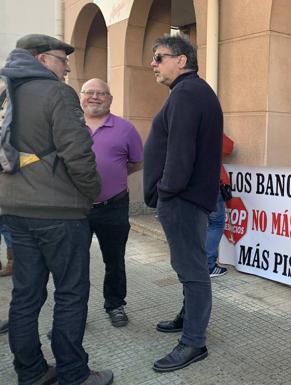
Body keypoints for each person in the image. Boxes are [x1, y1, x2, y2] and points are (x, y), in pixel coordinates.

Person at [0, 34, 113, 385]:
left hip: (14, 211)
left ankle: (31, 372)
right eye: (62, 60)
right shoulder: (57, 93)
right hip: (58, 213)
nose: (66, 69)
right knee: (71, 292)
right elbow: (78, 153)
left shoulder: (6, 93)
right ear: (40, 57)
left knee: (26, 295)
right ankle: (74, 374)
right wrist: (91, 192)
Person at [143, 34, 223, 373]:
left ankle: (194, 342)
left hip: (183, 200)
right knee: (187, 266)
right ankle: (188, 316)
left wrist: (166, 190)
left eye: (159, 57)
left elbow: (180, 152)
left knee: (192, 270)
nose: (153, 64)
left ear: (182, 60)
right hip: (185, 198)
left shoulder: (187, 93)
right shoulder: (190, 92)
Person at [79, 78, 144, 327]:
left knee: (114, 260)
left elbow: (136, 162)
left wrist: (115, 177)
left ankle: (115, 305)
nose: (95, 97)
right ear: (81, 96)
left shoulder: (125, 129)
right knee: (74, 263)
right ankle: (74, 312)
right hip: (76, 208)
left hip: (113, 206)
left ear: (110, 99)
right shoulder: (68, 126)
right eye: (90, 92)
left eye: (101, 93)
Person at [206, 134, 234, 278]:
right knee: (216, 224)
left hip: (192, 187)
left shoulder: (184, 131)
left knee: (202, 225)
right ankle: (208, 266)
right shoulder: (209, 129)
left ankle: (199, 264)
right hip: (212, 184)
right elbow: (229, 147)